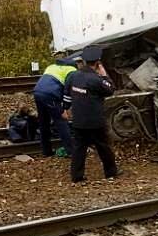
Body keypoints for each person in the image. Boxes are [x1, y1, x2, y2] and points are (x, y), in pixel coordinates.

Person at [66, 44, 119, 183]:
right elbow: (111, 89)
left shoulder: (73, 76)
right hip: (95, 121)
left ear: (84, 61)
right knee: (104, 147)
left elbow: (66, 94)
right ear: (97, 62)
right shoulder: (96, 80)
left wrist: (65, 108)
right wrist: (104, 75)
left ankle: (76, 176)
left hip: (78, 120)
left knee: (79, 149)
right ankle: (111, 172)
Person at [32, 54, 79, 157]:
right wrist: (65, 109)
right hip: (51, 95)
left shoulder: (52, 66)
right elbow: (67, 91)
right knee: (61, 121)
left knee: (44, 123)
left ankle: (46, 151)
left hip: (37, 92)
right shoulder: (72, 70)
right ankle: (71, 151)